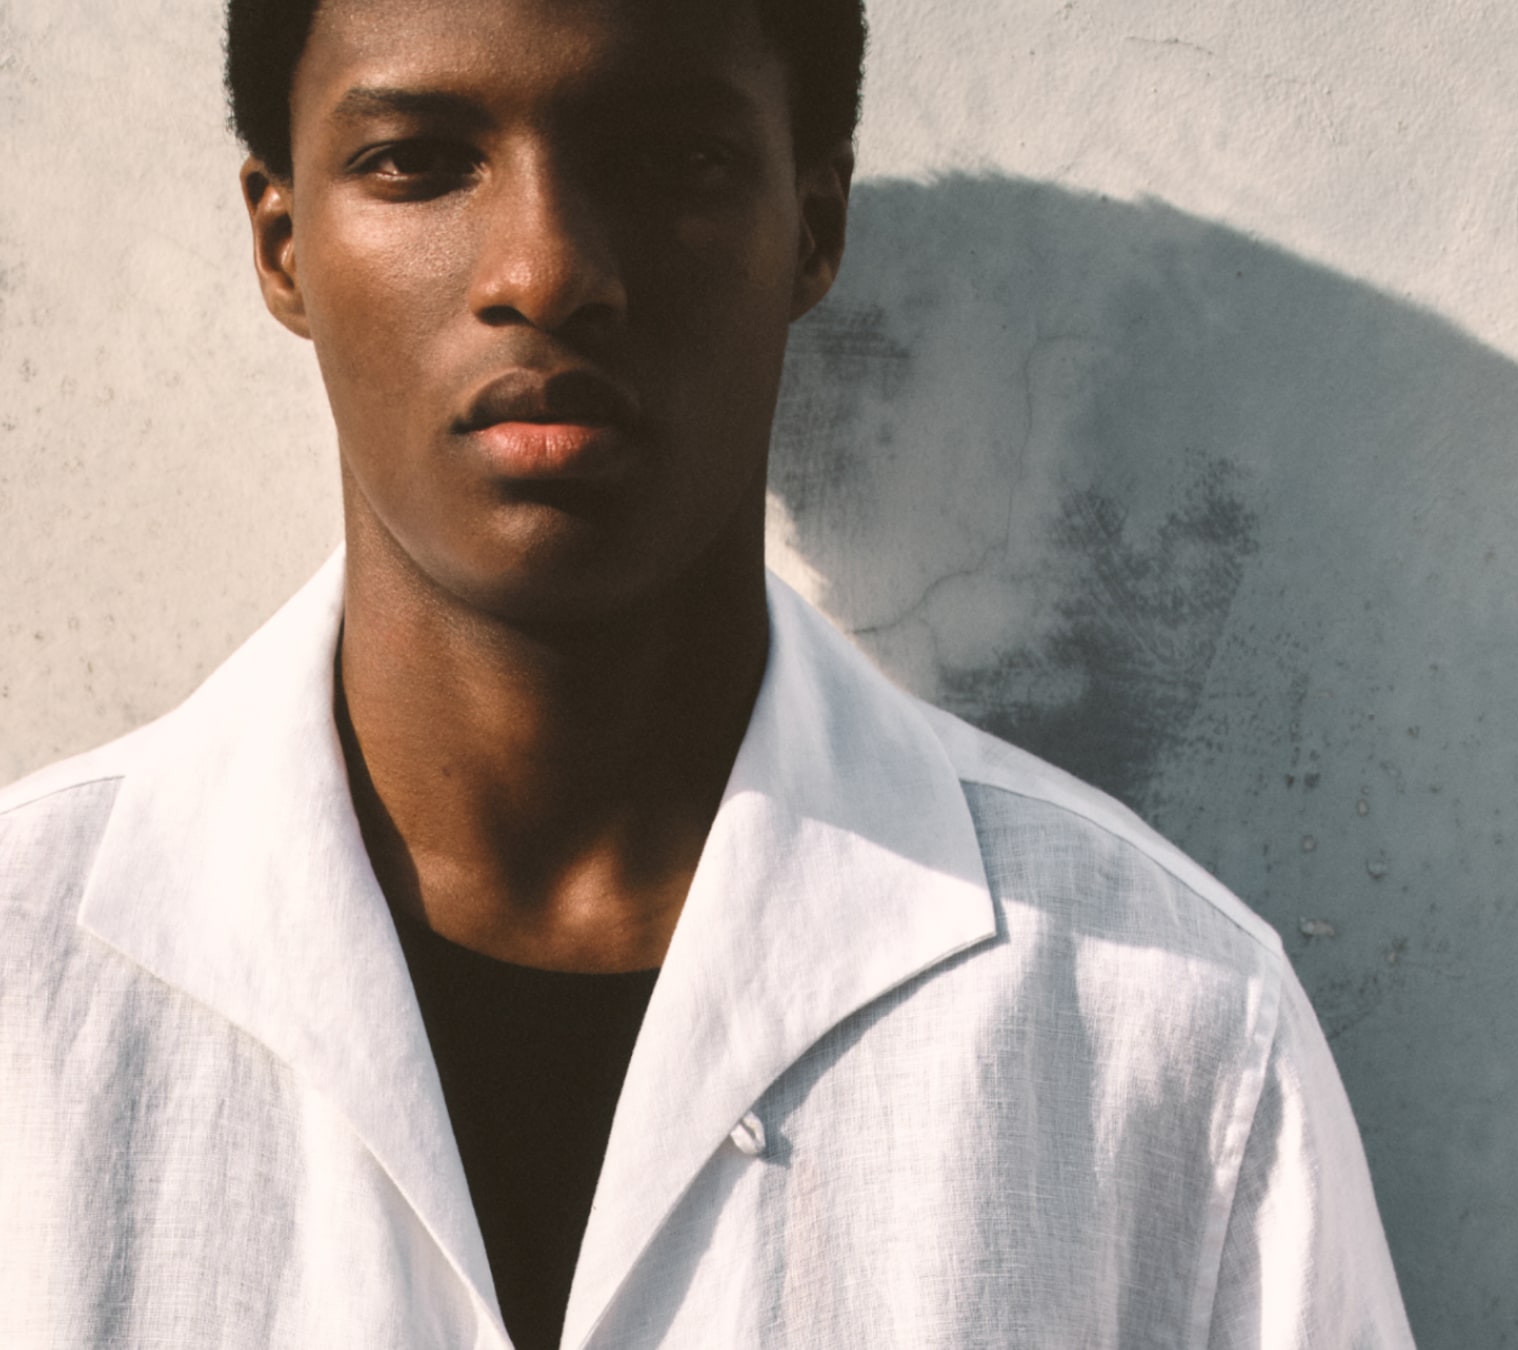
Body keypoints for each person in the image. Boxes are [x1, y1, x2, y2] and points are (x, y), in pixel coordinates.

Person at [0, 0, 1415, 1344]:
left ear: (813, 223)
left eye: (672, 157)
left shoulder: (1162, 1027)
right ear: (282, 241)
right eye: (418, 162)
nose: (545, 269)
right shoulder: (29, 985)